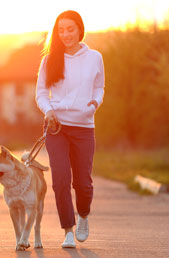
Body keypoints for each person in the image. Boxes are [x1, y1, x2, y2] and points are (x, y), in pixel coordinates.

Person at [35, 10, 105, 248]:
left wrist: (95, 104)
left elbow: (99, 87)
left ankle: (83, 214)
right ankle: (67, 230)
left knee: (83, 182)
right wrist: (49, 111)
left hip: (84, 126)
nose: (65, 34)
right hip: (57, 127)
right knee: (61, 179)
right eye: (61, 30)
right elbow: (41, 94)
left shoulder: (95, 57)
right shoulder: (49, 59)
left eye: (70, 29)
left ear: (79, 29)